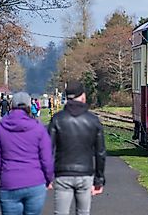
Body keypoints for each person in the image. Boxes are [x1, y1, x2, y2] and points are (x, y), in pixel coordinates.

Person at [0, 91, 54, 215]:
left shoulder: (0, 128)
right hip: (35, 182)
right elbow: (46, 158)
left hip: (9, 181)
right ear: (29, 107)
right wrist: (48, 178)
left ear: (11, 106)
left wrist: (3, 175)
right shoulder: (38, 128)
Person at [48, 80, 106, 215]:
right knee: (83, 212)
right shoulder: (93, 120)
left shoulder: (57, 119)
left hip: (62, 174)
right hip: (85, 174)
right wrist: (99, 179)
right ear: (83, 96)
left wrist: (47, 176)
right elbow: (100, 152)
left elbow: (48, 149)